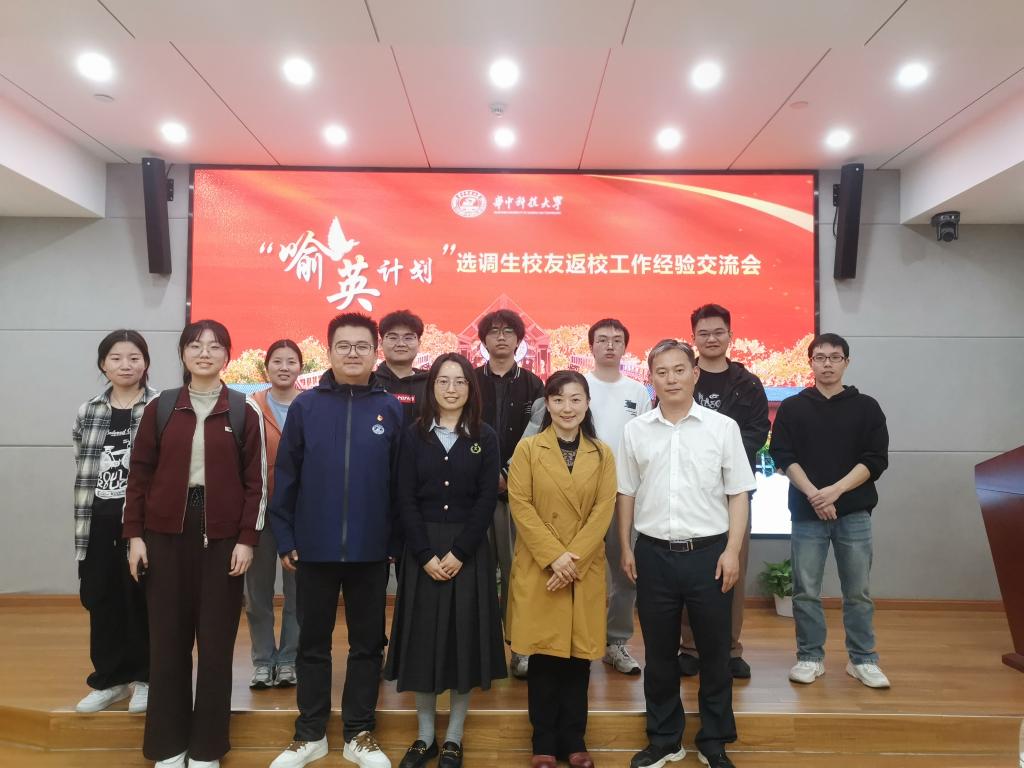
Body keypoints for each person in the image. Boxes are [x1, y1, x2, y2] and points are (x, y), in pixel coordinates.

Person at [124, 320, 267, 768]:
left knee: (216, 645)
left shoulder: (244, 410)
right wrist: (134, 536)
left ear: (228, 355)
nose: (205, 353)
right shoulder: (161, 407)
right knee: (168, 642)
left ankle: (207, 747)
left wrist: (247, 540)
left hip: (223, 540)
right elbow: (138, 475)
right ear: (183, 353)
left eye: (215, 346)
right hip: (165, 536)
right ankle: (168, 745)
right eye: (195, 345)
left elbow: (256, 484)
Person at [269, 313, 403, 768]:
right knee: (312, 644)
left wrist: (394, 542)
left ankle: (359, 733)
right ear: (328, 352)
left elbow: (399, 483)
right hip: (314, 548)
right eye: (343, 346)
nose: (352, 353)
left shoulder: (391, 408)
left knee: (368, 646)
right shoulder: (306, 407)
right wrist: (284, 536)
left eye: (362, 346)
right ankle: (309, 734)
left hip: (371, 550)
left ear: (375, 352)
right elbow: (286, 476)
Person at [618, 340, 755, 768]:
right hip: (653, 555)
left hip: (709, 555)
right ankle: (664, 739)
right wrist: (625, 546)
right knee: (659, 655)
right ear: (651, 379)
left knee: (714, 654)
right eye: (662, 372)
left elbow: (739, 493)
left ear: (695, 373)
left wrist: (732, 551)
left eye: (679, 370)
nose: (671, 379)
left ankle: (713, 740)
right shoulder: (636, 430)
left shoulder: (722, 428)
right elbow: (626, 492)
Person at [384, 353, 506, 768]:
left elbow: (487, 499)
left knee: (462, 642)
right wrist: (423, 554)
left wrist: (460, 552)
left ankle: (453, 736)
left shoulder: (485, 436)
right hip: (422, 551)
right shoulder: (413, 435)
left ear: (471, 388)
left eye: (460, 381)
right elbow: (404, 498)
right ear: (431, 387)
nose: (451, 389)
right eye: (443, 381)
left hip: (468, 551)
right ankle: (425, 737)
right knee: (423, 642)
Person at [507, 370, 617, 768]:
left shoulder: (602, 454)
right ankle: (543, 742)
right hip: (543, 567)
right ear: (546, 405)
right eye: (558, 399)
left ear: (587, 403)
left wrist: (572, 559)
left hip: (581, 569)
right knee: (544, 657)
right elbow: (521, 505)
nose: (566, 407)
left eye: (575, 399)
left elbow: (604, 510)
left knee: (578, 658)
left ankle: (575, 739)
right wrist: (555, 556)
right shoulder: (528, 450)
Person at [768, 333, 890, 689]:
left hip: (854, 513)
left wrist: (834, 491)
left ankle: (862, 660)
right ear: (810, 362)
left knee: (858, 592)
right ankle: (810, 657)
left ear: (846, 362)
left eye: (835, 357)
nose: (827, 364)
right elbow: (782, 455)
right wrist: (814, 495)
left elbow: (876, 459)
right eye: (820, 357)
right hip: (807, 514)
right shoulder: (793, 407)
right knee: (805, 591)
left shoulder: (866, 407)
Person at [679, 304, 770, 680]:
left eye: (718, 332)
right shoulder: (683, 378)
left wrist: (716, 455)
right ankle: (689, 647)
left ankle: (731, 649)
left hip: (734, 492)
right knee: (689, 571)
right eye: (704, 333)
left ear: (730, 336)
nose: (711, 338)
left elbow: (757, 432)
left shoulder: (748, 384)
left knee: (733, 568)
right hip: (688, 491)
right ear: (693, 338)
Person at [72, 329, 156, 715]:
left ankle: (145, 679)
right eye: (116, 358)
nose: (126, 365)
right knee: (102, 599)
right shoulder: (88, 410)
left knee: (141, 600)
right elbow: (83, 461)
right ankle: (109, 680)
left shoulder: (160, 407)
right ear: (103, 364)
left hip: (143, 524)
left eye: (134, 357)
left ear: (146, 363)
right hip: (97, 521)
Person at [474, 308, 544, 679]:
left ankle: (520, 648)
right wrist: (489, 475)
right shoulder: (469, 380)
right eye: (494, 331)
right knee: (479, 574)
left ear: (518, 339)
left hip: (518, 495)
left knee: (519, 574)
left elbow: (538, 436)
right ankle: (482, 651)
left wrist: (507, 473)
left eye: (508, 331)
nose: (501, 337)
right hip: (474, 495)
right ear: (483, 339)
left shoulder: (535, 385)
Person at [581, 319, 652, 676]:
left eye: (617, 340)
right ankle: (576, 642)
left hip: (624, 495)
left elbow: (645, 443)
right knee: (577, 570)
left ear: (625, 347)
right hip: (581, 495)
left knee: (625, 571)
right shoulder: (579, 385)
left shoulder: (637, 391)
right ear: (591, 346)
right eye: (602, 340)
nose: (609, 345)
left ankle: (616, 642)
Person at [245, 340, 303, 690]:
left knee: (298, 594)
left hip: (300, 516)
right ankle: (263, 661)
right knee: (258, 594)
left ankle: (289, 660)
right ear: (266, 367)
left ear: (300, 367)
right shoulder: (250, 407)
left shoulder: (311, 405)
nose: (284, 367)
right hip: (260, 512)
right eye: (277, 361)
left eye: (291, 361)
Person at [375, 309, 430, 426]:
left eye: (408, 338)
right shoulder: (369, 382)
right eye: (393, 338)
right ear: (381, 343)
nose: (401, 344)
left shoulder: (431, 384)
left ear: (419, 343)